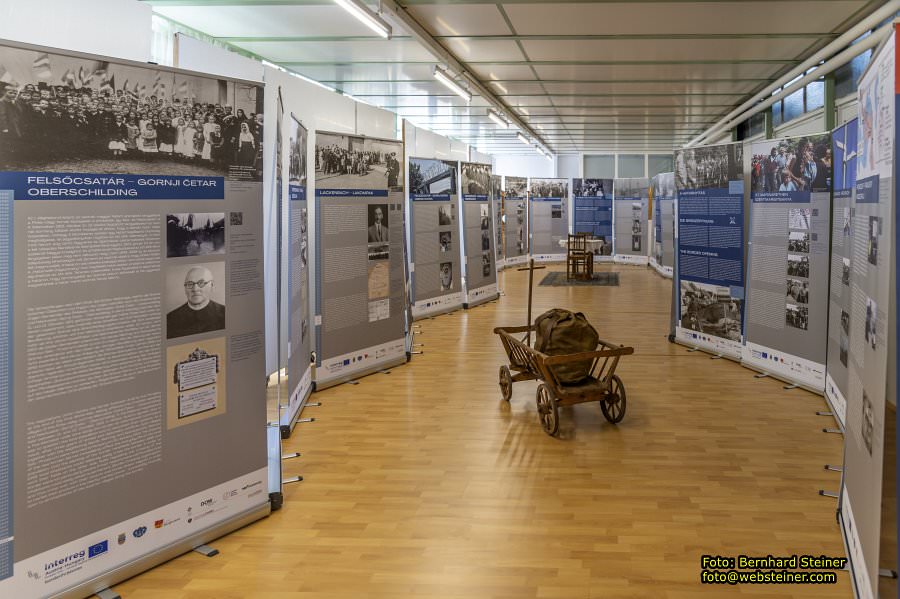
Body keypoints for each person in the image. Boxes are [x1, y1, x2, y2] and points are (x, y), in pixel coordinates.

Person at [167, 266, 226, 339]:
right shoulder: (170, 319)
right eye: (190, 284)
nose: (195, 289)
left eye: (201, 283)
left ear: (212, 286)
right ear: (185, 289)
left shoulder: (226, 314)